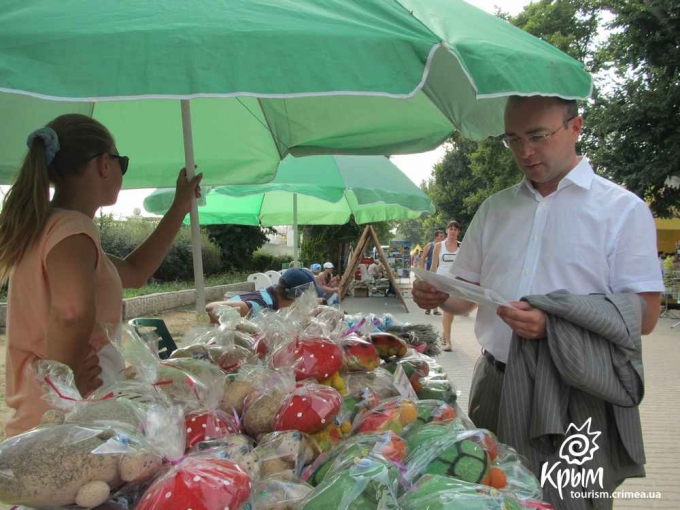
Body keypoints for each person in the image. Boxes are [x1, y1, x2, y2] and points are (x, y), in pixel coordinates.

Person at [412, 95, 662, 507]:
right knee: (485, 494)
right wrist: (440, 295)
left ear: (576, 126)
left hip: (572, 389)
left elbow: (646, 315)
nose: (525, 151)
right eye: (512, 139)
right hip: (495, 380)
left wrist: (554, 325)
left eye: (538, 136)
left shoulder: (621, 210)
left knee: (568, 501)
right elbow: (464, 301)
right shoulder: (495, 209)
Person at [0, 114, 202, 438]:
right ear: (104, 164)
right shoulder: (72, 231)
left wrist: (180, 204)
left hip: (45, 419)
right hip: (61, 423)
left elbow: (135, 272)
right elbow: (71, 312)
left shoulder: (49, 228)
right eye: (122, 162)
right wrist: (67, 383)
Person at [206, 267, 324, 321]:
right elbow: (211, 308)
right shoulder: (260, 306)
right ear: (295, 296)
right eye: (307, 297)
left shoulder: (274, 295)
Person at [429, 220, 461, 352]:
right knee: (447, 310)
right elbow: (434, 265)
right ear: (447, 230)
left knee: (451, 312)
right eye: (451, 228)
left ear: (458, 232)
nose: (453, 231)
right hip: (442, 281)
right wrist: (430, 282)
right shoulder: (439, 246)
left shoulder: (462, 247)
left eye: (455, 229)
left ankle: (444, 334)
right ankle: (448, 342)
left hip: (456, 282)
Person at [419, 230, 445, 315]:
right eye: (440, 236)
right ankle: (428, 308)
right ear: (436, 237)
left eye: (443, 236)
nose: (442, 238)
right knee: (430, 291)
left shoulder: (443, 246)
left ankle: (435, 310)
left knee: (437, 291)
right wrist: (422, 269)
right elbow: (423, 258)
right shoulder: (430, 245)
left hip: (440, 271)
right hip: (430, 271)